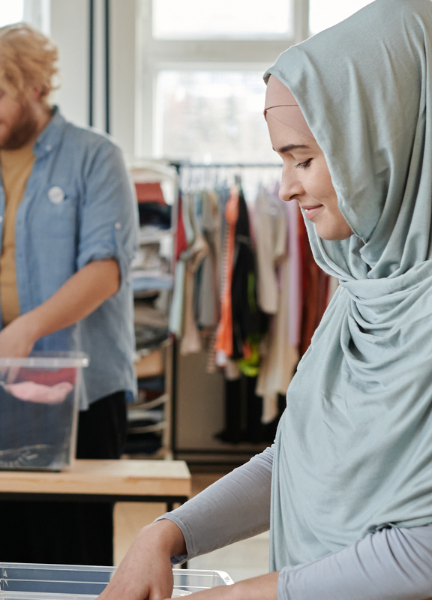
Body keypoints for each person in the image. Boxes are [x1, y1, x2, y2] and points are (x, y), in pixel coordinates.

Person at [99, 1, 432, 599]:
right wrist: (168, 533)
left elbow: (422, 550)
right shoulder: (362, 283)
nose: (284, 188)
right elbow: (299, 462)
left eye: (303, 160)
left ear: (384, 144)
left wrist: (238, 595)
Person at [0, 23, 137, 566]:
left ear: (35, 87)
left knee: (74, 552)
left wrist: (26, 329)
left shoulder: (96, 158)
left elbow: (105, 270)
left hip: (81, 393)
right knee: (2, 547)